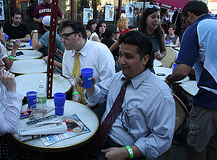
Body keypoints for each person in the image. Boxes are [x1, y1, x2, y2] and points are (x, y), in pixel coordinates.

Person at [77, 31, 175, 160]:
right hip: (98, 136)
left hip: (126, 150)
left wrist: (127, 152)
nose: (121, 61)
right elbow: (97, 98)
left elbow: (162, 138)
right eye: (120, 55)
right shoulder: (119, 77)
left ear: (145, 59)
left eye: (128, 57)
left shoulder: (160, 95)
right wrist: (89, 87)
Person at [165, 1, 217, 160]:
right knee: (214, 145)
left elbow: (182, 71)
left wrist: (169, 79)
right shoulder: (214, 24)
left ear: (189, 14)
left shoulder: (194, 29)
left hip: (209, 99)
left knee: (196, 145)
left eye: (184, 19)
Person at [59, 20, 115, 106]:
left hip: (100, 103)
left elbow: (109, 86)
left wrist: (89, 106)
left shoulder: (101, 51)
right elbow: (68, 76)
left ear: (79, 35)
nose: (62, 40)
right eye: (61, 36)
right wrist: (75, 92)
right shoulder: (68, 51)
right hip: (77, 102)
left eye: (65, 36)